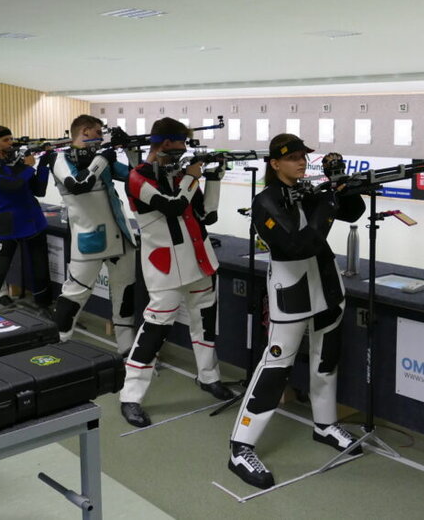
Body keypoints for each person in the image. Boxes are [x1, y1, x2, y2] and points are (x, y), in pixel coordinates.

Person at [226, 135, 367, 489]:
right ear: (275, 164)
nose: (301, 162)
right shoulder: (265, 201)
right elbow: (297, 245)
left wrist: (340, 184)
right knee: (276, 366)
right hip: (291, 289)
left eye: (304, 156)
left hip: (326, 282)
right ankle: (241, 446)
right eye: (292, 158)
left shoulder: (305, 190)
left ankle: (325, 424)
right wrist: (328, 201)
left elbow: (353, 212)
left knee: (326, 359)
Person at [118, 117, 234, 428]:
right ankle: (130, 396)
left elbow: (207, 215)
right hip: (165, 266)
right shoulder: (137, 177)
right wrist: (192, 177)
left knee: (204, 324)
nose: (183, 150)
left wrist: (214, 179)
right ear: (166, 143)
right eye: (180, 144)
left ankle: (209, 377)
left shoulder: (180, 174)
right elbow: (172, 206)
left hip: (199, 260)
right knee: (154, 330)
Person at [50, 115, 143, 355]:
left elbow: (136, 177)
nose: (101, 138)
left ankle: (127, 353)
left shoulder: (98, 159)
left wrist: (131, 150)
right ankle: (55, 349)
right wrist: (103, 158)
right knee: (73, 296)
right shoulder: (60, 159)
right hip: (89, 241)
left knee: (124, 299)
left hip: (122, 237)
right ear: (85, 131)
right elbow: (77, 184)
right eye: (98, 133)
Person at [0, 125, 54, 308]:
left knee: (41, 269)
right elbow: (10, 185)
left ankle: (44, 306)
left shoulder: (18, 164)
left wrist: (43, 165)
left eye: (11, 139)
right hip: (9, 223)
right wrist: (29, 167)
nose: (10, 143)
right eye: (5, 140)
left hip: (33, 220)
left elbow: (39, 190)